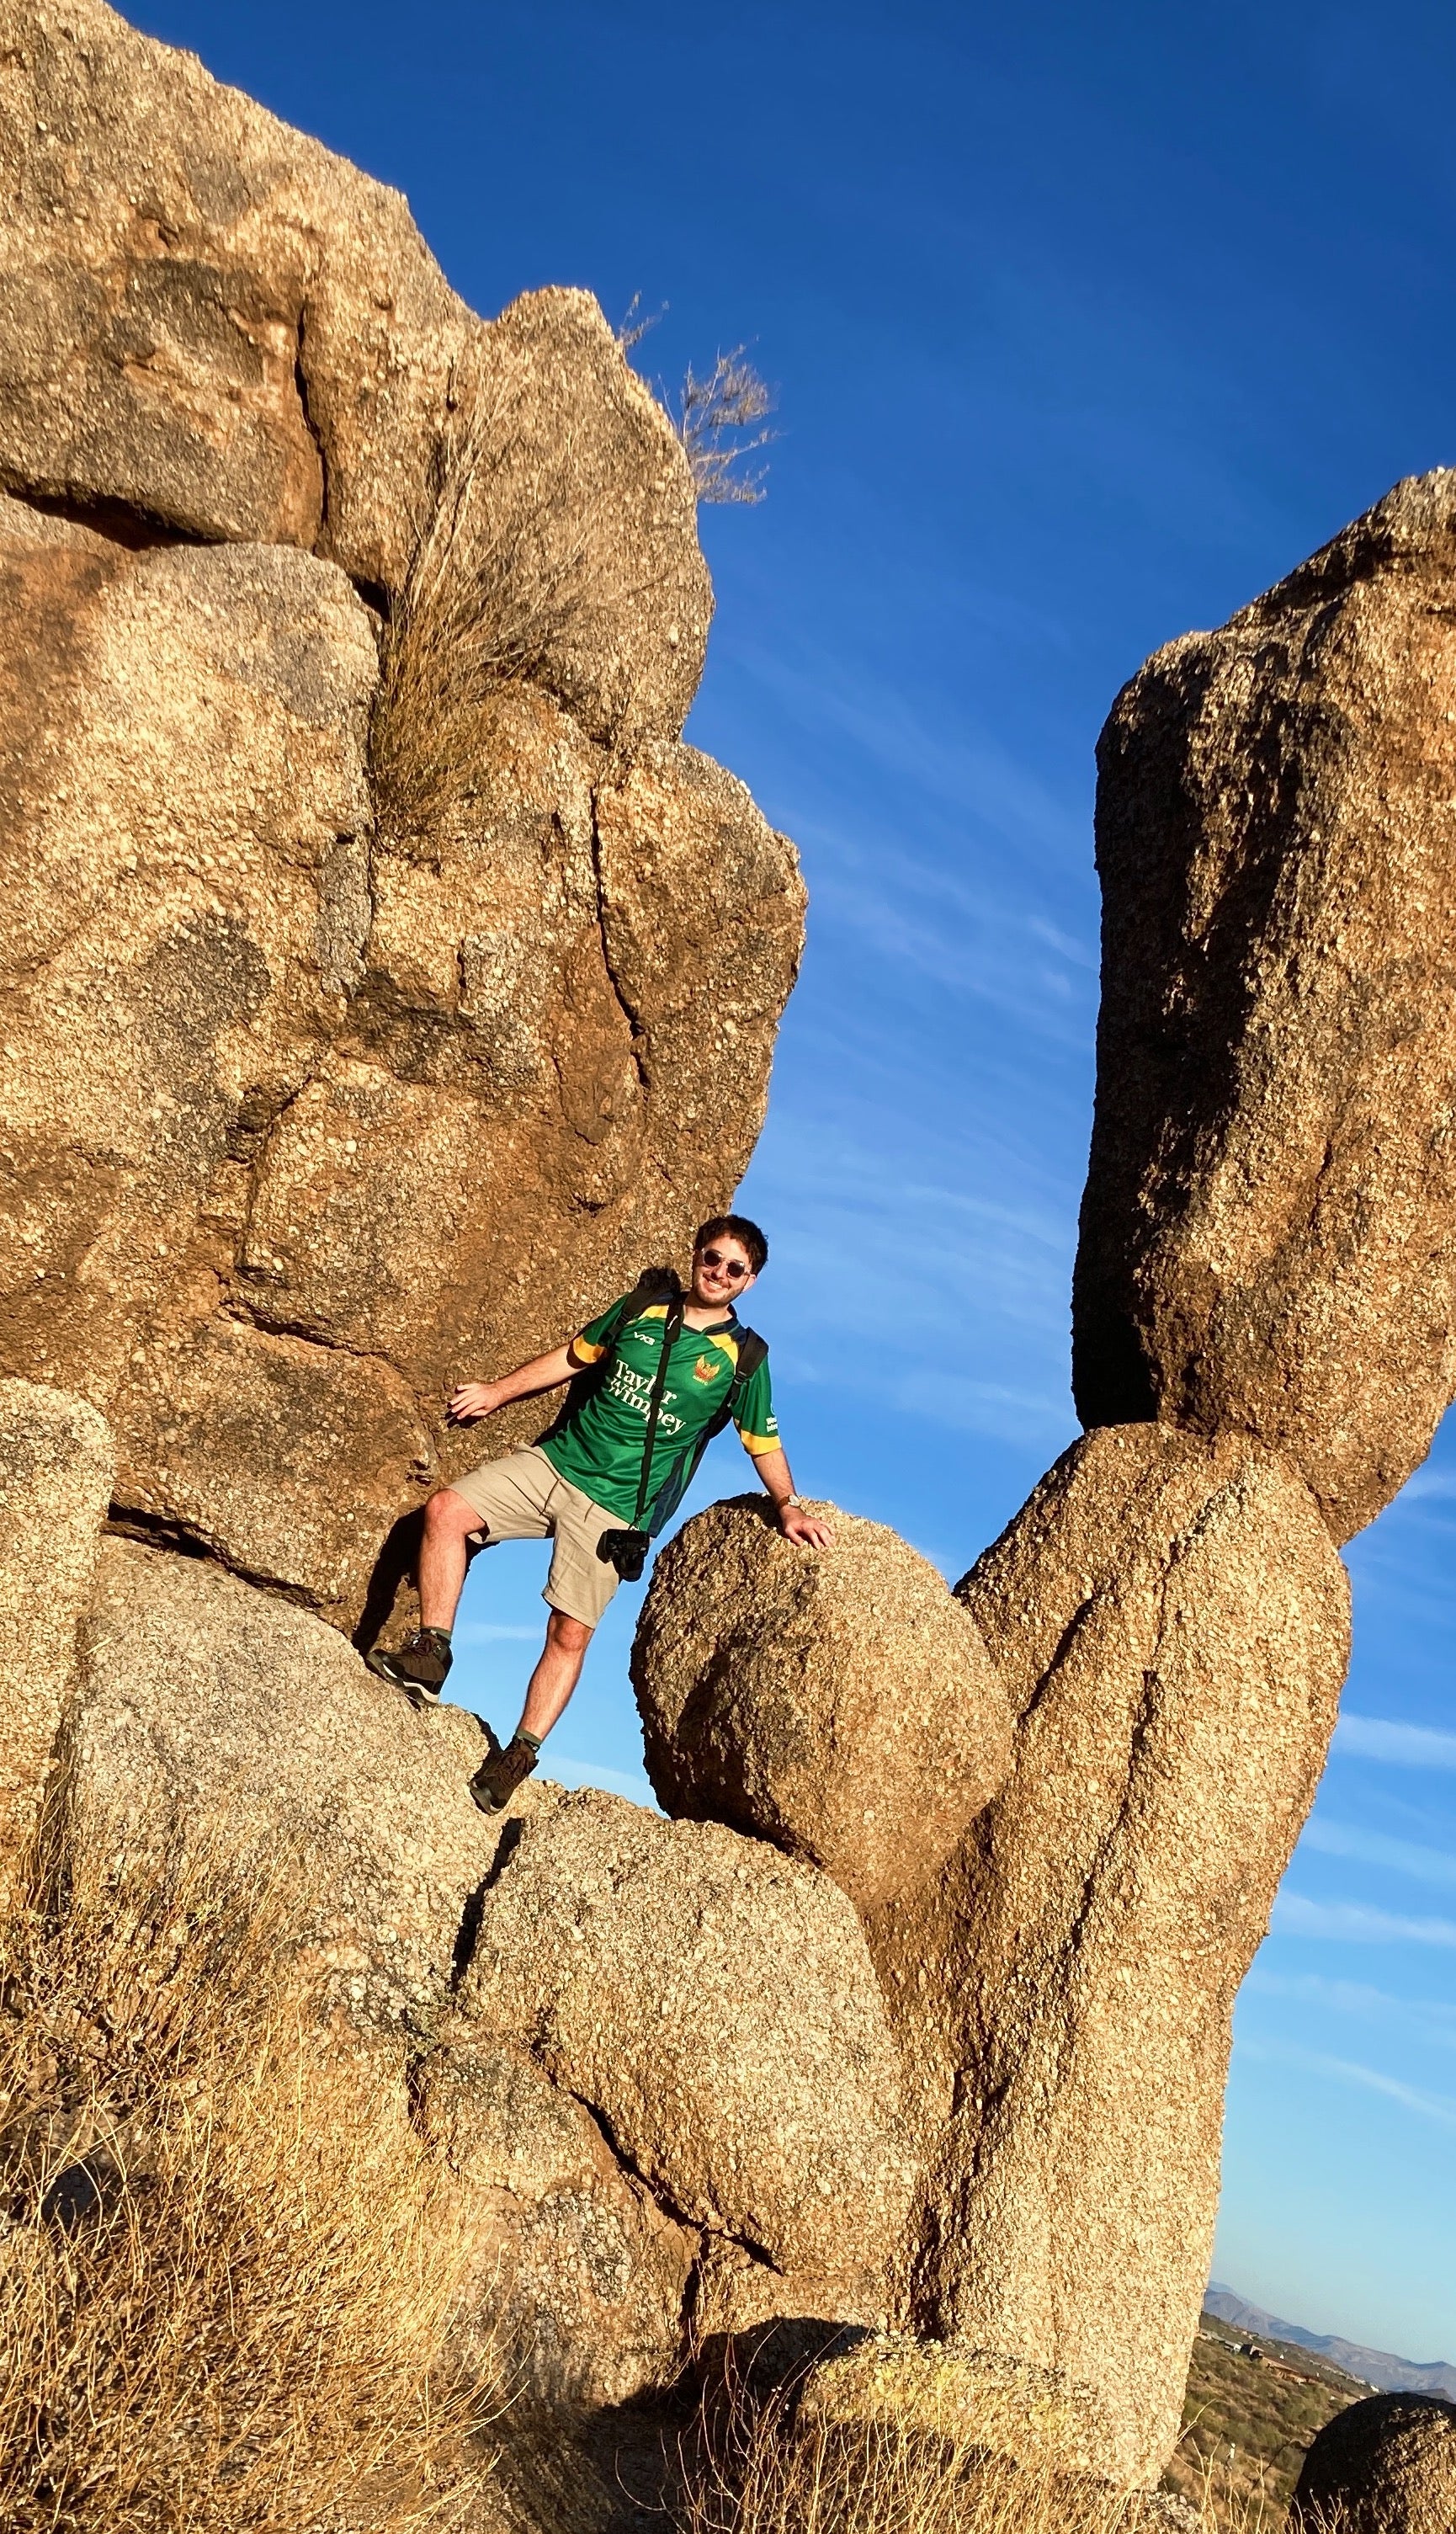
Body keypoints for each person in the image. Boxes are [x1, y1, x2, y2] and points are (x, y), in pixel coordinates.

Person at [367, 1215, 832, 1810]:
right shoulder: (641, 1310)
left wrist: (787, 1505)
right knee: (447, 1510)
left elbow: (760, 1439)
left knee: (569, 1633)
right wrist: (497, 1391)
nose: (719, 1273)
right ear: (695, 1256)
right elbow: (574, 1356)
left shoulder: (742, 1359)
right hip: (556, 1465)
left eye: (734, 1269)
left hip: (617, 1509)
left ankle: (520, 1753)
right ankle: (432, 1652)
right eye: (712, 1259)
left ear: (750, 1282)